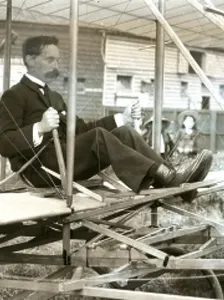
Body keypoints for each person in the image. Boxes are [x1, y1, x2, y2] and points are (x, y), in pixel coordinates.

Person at [0, 35, 212, 202]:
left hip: (66, 160)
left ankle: (172, 181)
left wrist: (122, 117)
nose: (56, 65)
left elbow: (82, 130)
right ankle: (170, 178)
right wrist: (39, 127)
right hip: (42, 170)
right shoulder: (14, 96)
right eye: (50, 59)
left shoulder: (54, 97)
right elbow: (4, 143)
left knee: (125, 132)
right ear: (30, 59)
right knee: (99, 137)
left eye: (57, 59)